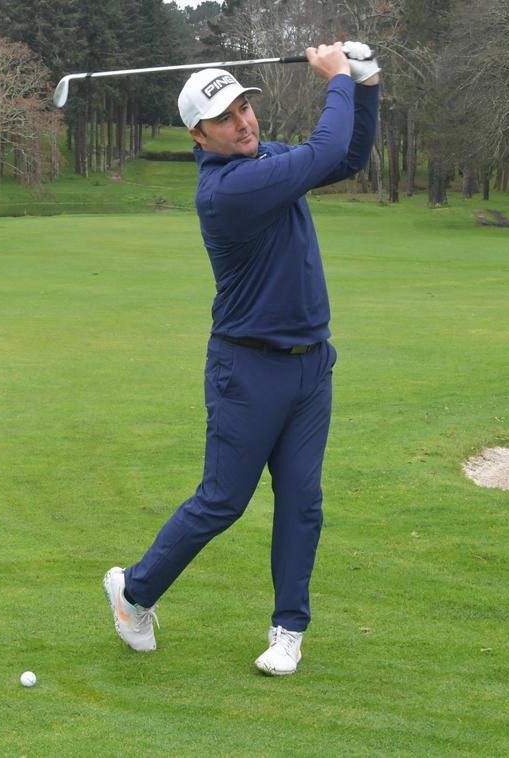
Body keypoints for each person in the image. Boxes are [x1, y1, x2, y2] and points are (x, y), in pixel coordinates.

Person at [103, 42, 380, 676]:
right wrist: (337, 78)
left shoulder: (265, 159)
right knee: (224, 499)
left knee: (303, 500)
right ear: (200, 136)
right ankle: (134, 591)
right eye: (227, 117)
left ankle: (288, 631)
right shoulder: (230, 189)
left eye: (245, 107)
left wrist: (367, 83)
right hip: (247, 368)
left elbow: (350, 155)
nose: (245, 121)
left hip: (311, 364)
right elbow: (325, 150)